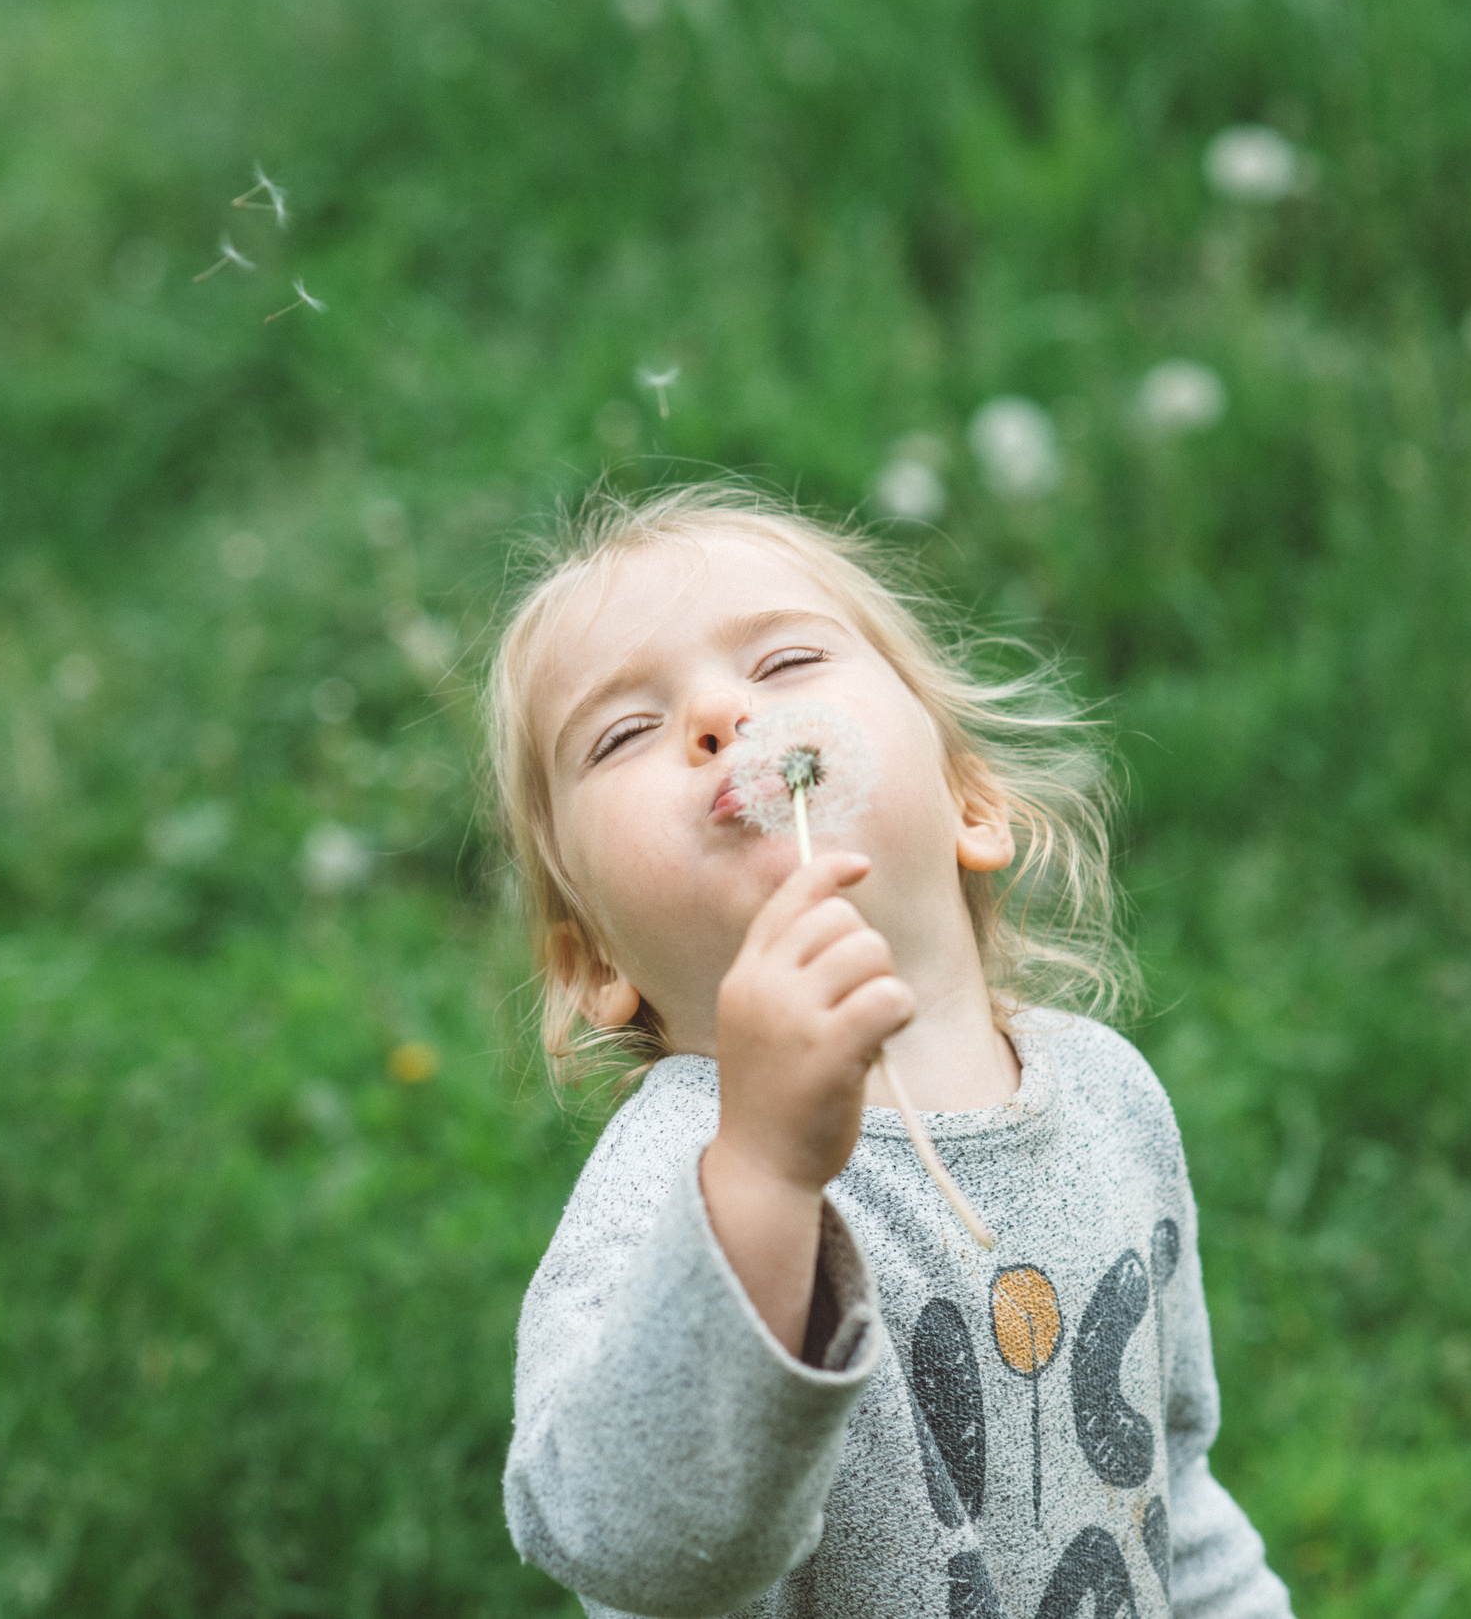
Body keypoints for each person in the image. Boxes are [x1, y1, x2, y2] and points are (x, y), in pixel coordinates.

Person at [488, 483, 1291, 1619]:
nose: (719, 714)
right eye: (623, 732)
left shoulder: (1109, 1095)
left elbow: (1171, 1483)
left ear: (971, 801)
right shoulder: (677, 1174)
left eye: (783, 664)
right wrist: (764, 1174)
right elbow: (627, 1545)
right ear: (595, 963)